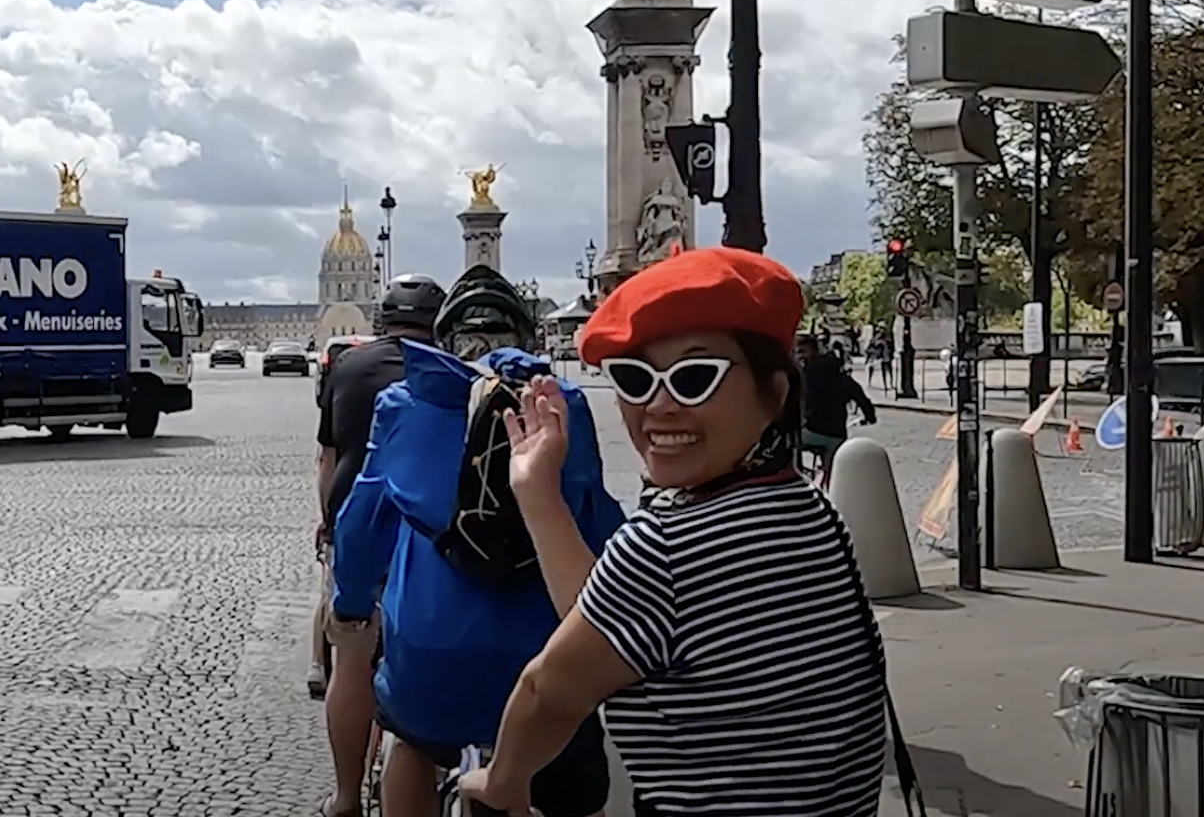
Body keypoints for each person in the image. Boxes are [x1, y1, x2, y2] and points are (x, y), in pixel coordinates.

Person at [454, 248, 912, 817]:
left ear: (775, 392)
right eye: (634, 377)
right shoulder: (806, 508)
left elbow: (550, 689)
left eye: (696, 377)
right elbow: (610, 626)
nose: (660, 406)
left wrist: (503, 781)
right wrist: (538, 494)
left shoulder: (668, 544)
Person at [329, 265, 625, 817]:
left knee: (413, 743)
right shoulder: (563, 405)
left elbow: (363, 518)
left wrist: (350, 605)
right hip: (541, 652)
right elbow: (595, 516)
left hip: (429, 644)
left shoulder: (404, 403)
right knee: (569, 769)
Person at [311, 273, 447, 817]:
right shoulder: (452, 373)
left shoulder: (346, 367)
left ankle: (346, 795)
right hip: (428, 533)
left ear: (381, 320)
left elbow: (328, 458)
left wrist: (328, 521)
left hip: (359, 525)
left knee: (352, 661)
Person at [797, 334, 877, 483]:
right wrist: (870, 417)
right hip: (837, 435)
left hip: (810, 431)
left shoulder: (805, 375)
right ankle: (829, 483)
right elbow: (863, 400)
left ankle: (796, 477)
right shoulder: (844, 379)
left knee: (789, 442)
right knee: (832, 466)